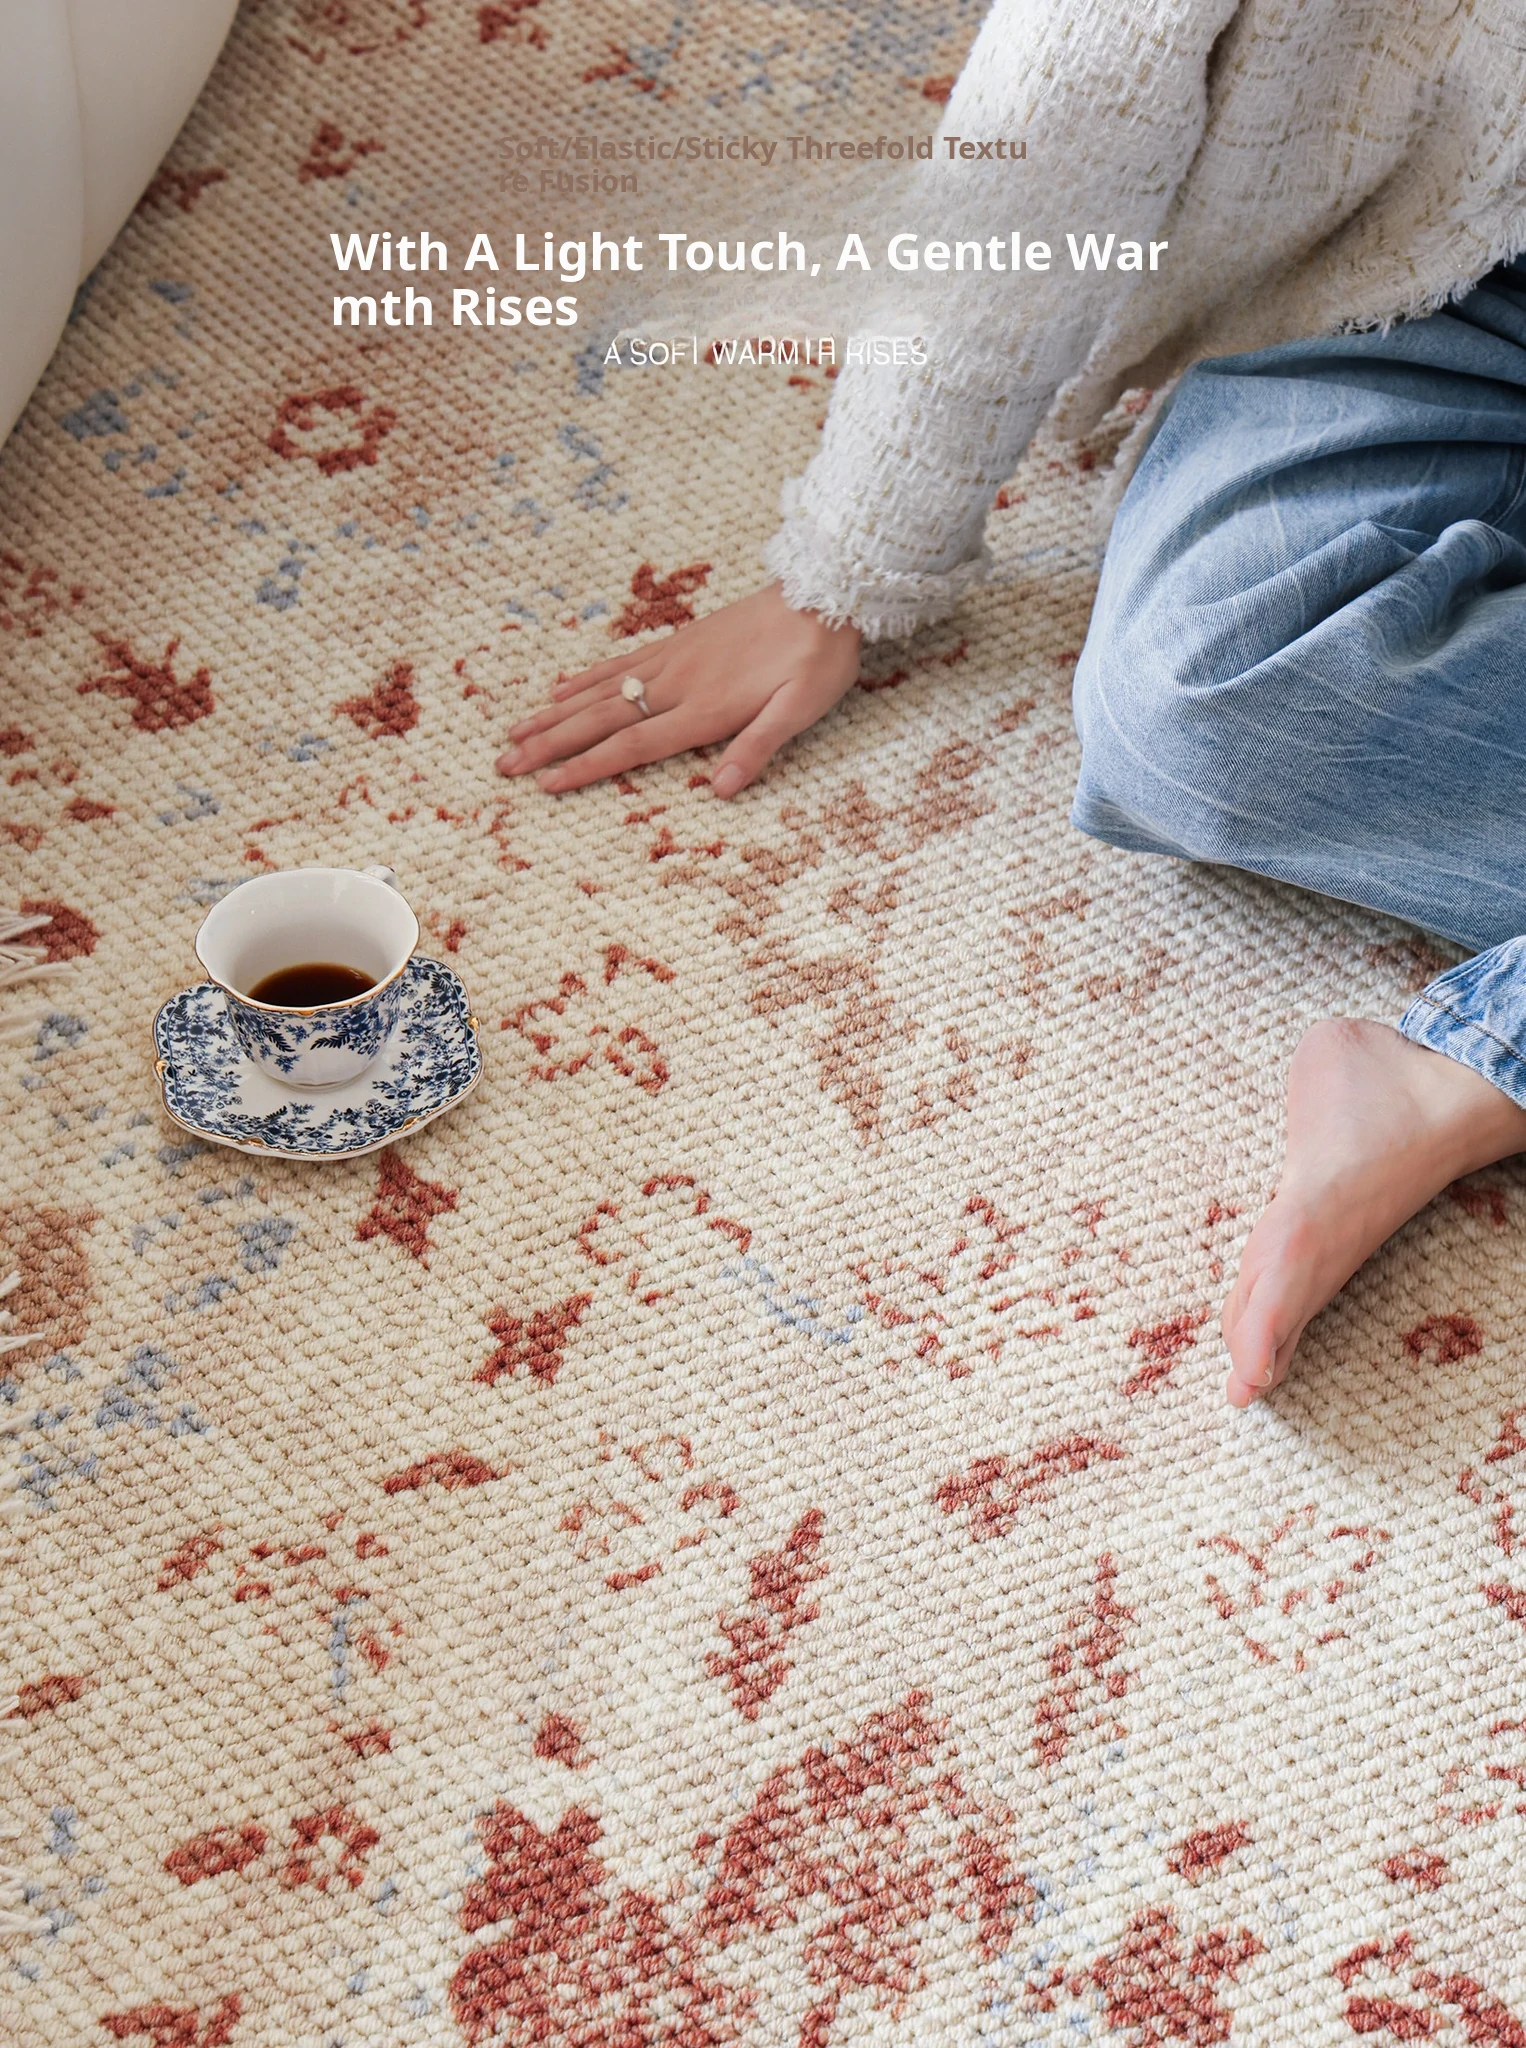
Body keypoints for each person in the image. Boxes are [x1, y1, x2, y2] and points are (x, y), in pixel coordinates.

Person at [496, 0, 1526, 1409]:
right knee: (1204, 703)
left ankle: (1472, 1072)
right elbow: (1070, 92)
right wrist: (850, 562)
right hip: (1434, 280)